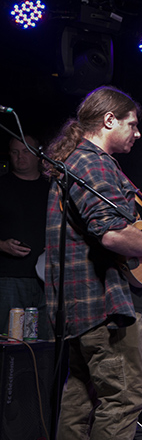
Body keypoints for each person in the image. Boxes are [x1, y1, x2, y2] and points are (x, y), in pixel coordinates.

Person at [43, 86, 142, 440]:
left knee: (81, 399)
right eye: (132, 124)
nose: (137, 133)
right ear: (108, 120)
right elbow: (111, 234)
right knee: (124, 397)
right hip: (102, 306)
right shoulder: (95, 163)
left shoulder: (75, 160)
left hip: (75, 307)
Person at [0, 135, 50, 339]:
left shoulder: (53, 187)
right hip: (9, 278)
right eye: (15, 152)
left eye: (26, 151)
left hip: (48, 279)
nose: (20, 157)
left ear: (38, 155)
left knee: (44, 343)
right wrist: (2, 245)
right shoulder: (2, 185)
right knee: (9, 341)